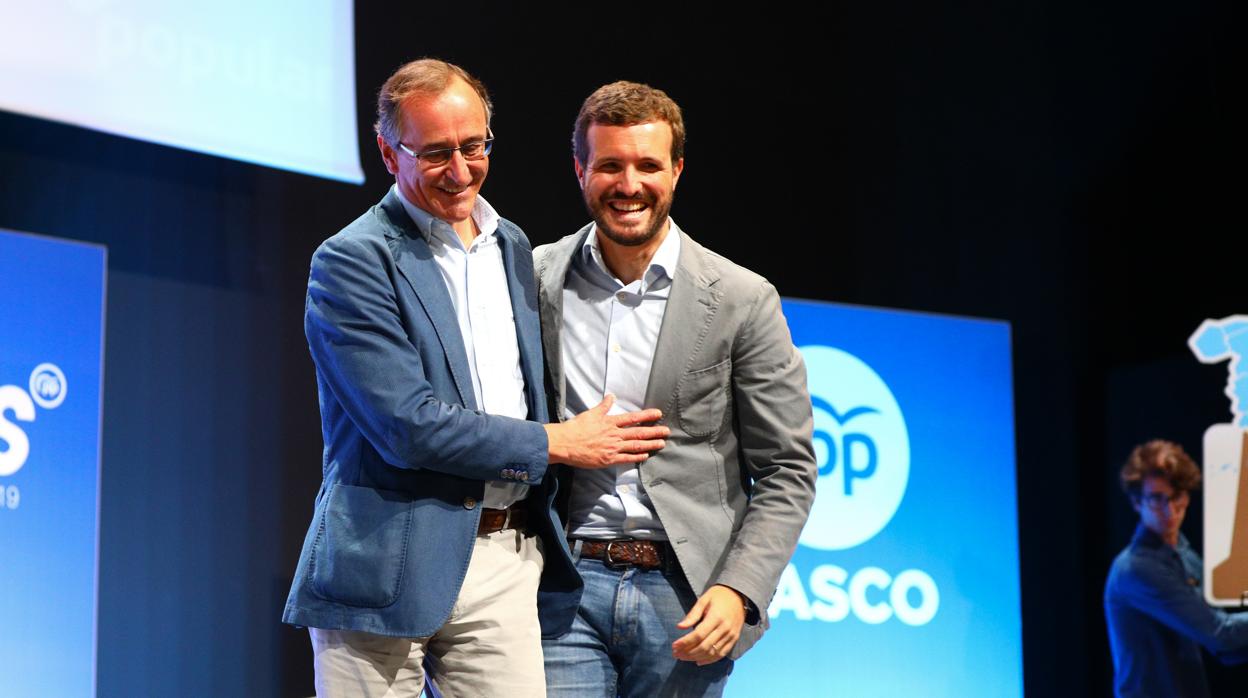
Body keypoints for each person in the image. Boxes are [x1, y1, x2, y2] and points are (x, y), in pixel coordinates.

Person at [281, 59, 669, 698]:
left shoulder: (511, 244)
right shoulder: (351, 260)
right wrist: (554, 442)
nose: (461, 172)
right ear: (387, 151)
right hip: (385, 561)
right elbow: (406, 425)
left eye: (473, 147)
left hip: (505, 556)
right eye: (436, 153)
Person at [533, 81, 819, 697]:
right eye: (609, 164)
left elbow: (788, 470)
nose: (629, 184)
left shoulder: (743, 299)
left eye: (648, 165)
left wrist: (740, 589)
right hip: (559, 588)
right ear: (580, 169)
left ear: (678, 170)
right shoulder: (534, 279)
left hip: (684, 591)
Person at [1104, 439, 1248, 697]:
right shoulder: (1136, 569)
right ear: (1137, 503)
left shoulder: (1184, 554)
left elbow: (1227, 648)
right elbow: (1220, 634)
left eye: (1176, 497)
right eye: (1156, 499)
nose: (1170, 510)